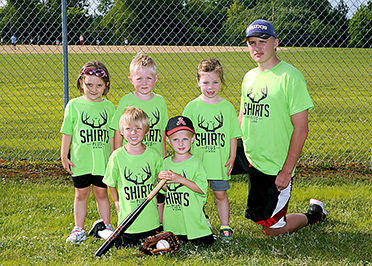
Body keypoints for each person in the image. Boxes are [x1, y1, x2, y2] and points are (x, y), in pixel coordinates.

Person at [239, 19, 327, 236]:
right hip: (251, 158)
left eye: (262, 41)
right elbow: (242, 116)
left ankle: (314, 214)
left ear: (276, 42)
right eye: (251, 43)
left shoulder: (290, 76)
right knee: (259, 217)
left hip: (275, 165)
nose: (257, 48)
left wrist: (286, 171)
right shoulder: (249, 77)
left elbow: (301, 129)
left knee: (272, 231)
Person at [183, 58, 241, 243]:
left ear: (221, 82)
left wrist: (232, 157)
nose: (210, 87)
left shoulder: (227, 107)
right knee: (197, 194)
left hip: (219, 162)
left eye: (215, 82)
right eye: (206, 82)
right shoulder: (192, 107)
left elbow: (233, 135)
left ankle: (225, 226)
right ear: (198, 81)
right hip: (198, 162)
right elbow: (184, 135)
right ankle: (201, 223)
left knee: (220, 195)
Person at [110, 53, 169, 223]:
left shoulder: (160, 102)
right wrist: (118, 153)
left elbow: (163, 131)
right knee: (137, 191)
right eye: (139, 78)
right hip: (133, 156)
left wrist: (164, 156)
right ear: (131, 79)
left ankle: (158, 225)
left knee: (158, 194)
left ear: (156, 79)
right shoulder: (126, 101)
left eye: (148, 78)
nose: (144, 83)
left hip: (155, 155)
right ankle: (133, 223)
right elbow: (117, 130)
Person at [60, 61, 115, 244]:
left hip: (102, 161)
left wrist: (115, 156)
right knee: (81, 194)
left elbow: (113, 135)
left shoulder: (109, 107)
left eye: (99, 85)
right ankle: (79, 229)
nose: (93, 89)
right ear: (81, 82)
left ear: (106, 86)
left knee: (102, 193)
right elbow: (67, 132)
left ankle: (107, 227)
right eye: (89, 84)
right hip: (80, 161)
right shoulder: (74, 105)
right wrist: (64, 155)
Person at [103, 106, 163, 247]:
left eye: (138, 129)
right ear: (122, 132)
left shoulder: (154, 155)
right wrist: (116, 202)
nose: (133, 133)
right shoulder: (117, 156)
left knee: (152, 245)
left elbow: (161, 184)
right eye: (129, 129)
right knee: (125, 245)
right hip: (127, 221)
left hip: (150, 220)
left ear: (146, 132)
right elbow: (110, 183)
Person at [158, 116, 216, 246]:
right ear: (168, 141)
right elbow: (166, 189)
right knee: (173, 242)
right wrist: (159, 179)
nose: (180, 143)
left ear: (193, 139)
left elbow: (201, 188)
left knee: (204, 243)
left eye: (185, 139)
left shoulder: (196, 162)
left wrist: (180, 179)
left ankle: (206, 229)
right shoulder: (166, 163)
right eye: (175, 139)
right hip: (173, 219)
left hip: (193, 220)